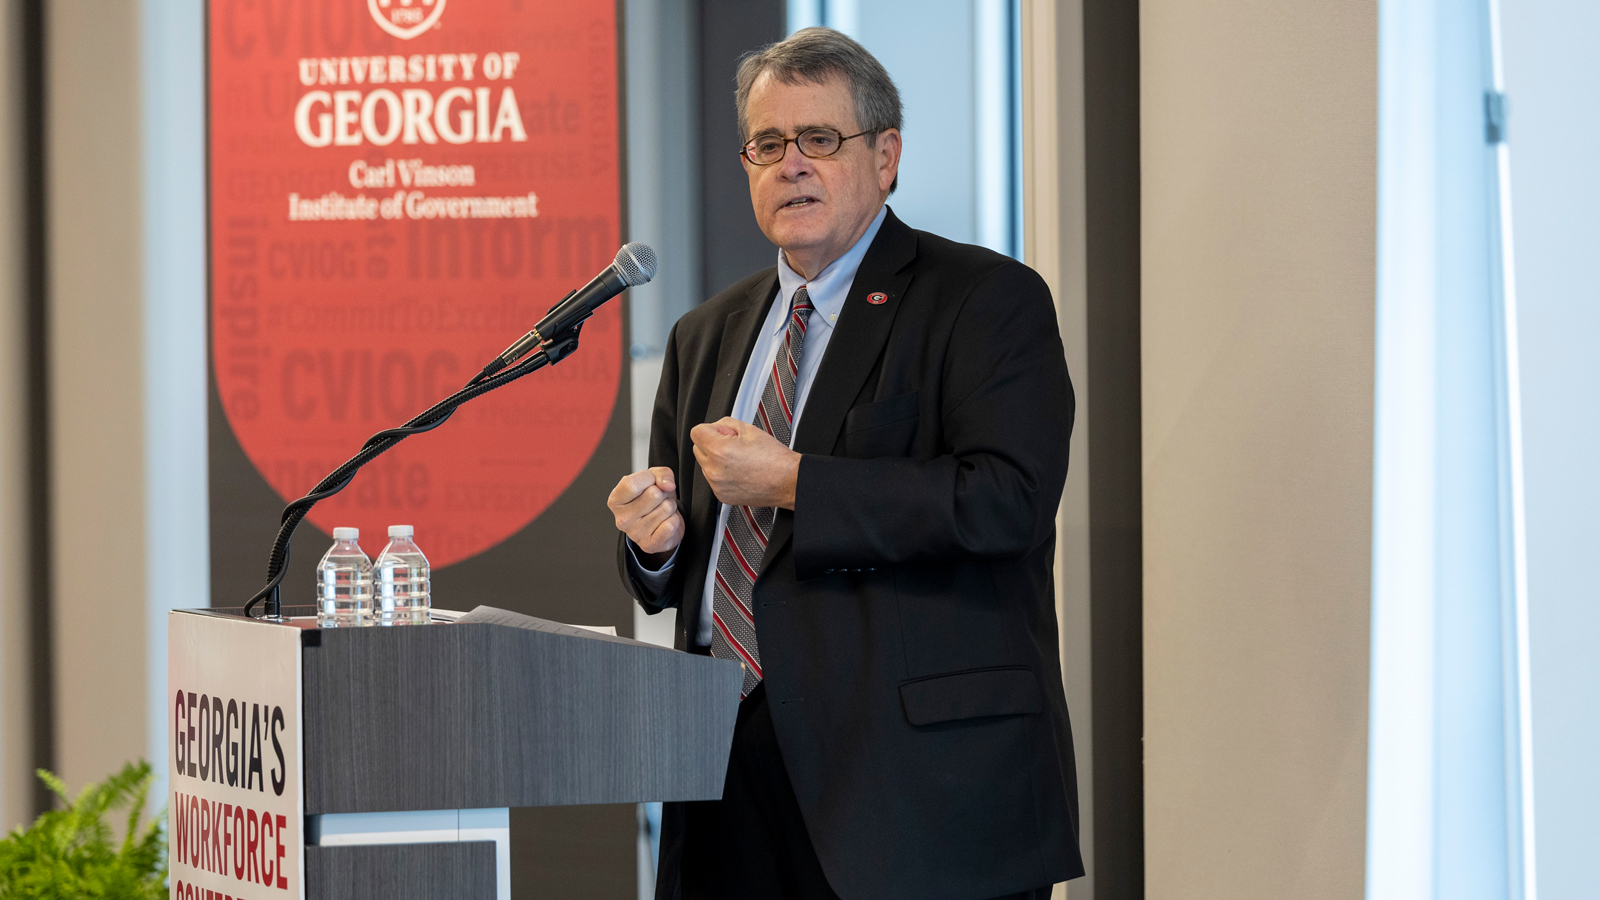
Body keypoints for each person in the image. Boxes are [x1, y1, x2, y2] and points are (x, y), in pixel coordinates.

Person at [608, 27, 1082, 900]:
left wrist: (794, 482)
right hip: (726, 776)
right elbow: (679, 570)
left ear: (886, 155)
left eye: (820, 139)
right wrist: (655, 543)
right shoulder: (704, 333)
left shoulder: (985, 300)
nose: (791, 164)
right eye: (768, 144)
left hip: (910, 786)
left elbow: (1006, 502)